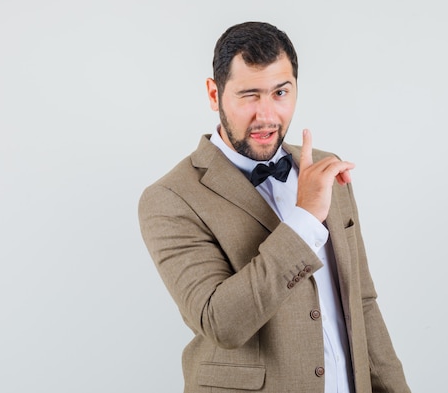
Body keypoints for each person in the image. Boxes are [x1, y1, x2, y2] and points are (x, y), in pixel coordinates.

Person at [138, 21, 410, 393]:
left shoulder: (326, 169)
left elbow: (361, 303)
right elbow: (222, 324)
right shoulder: (170, 198)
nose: (267, 116)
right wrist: (304, 220)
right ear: (214, 94)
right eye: (249, 95)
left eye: (280, 92)